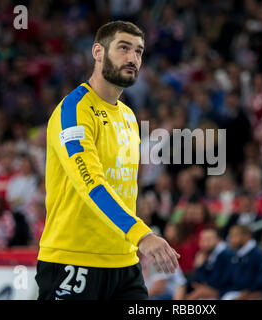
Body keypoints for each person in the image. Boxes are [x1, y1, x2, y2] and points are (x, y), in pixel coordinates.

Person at [36, 21, 180, 300]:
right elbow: (90, 183)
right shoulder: (74, 111)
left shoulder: (128, 116)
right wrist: (142, 233)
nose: (132, 58)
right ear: (98, 51)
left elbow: (125, 186)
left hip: (123, 264)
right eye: (123, 48)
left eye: (138, 51)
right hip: (73, 261)